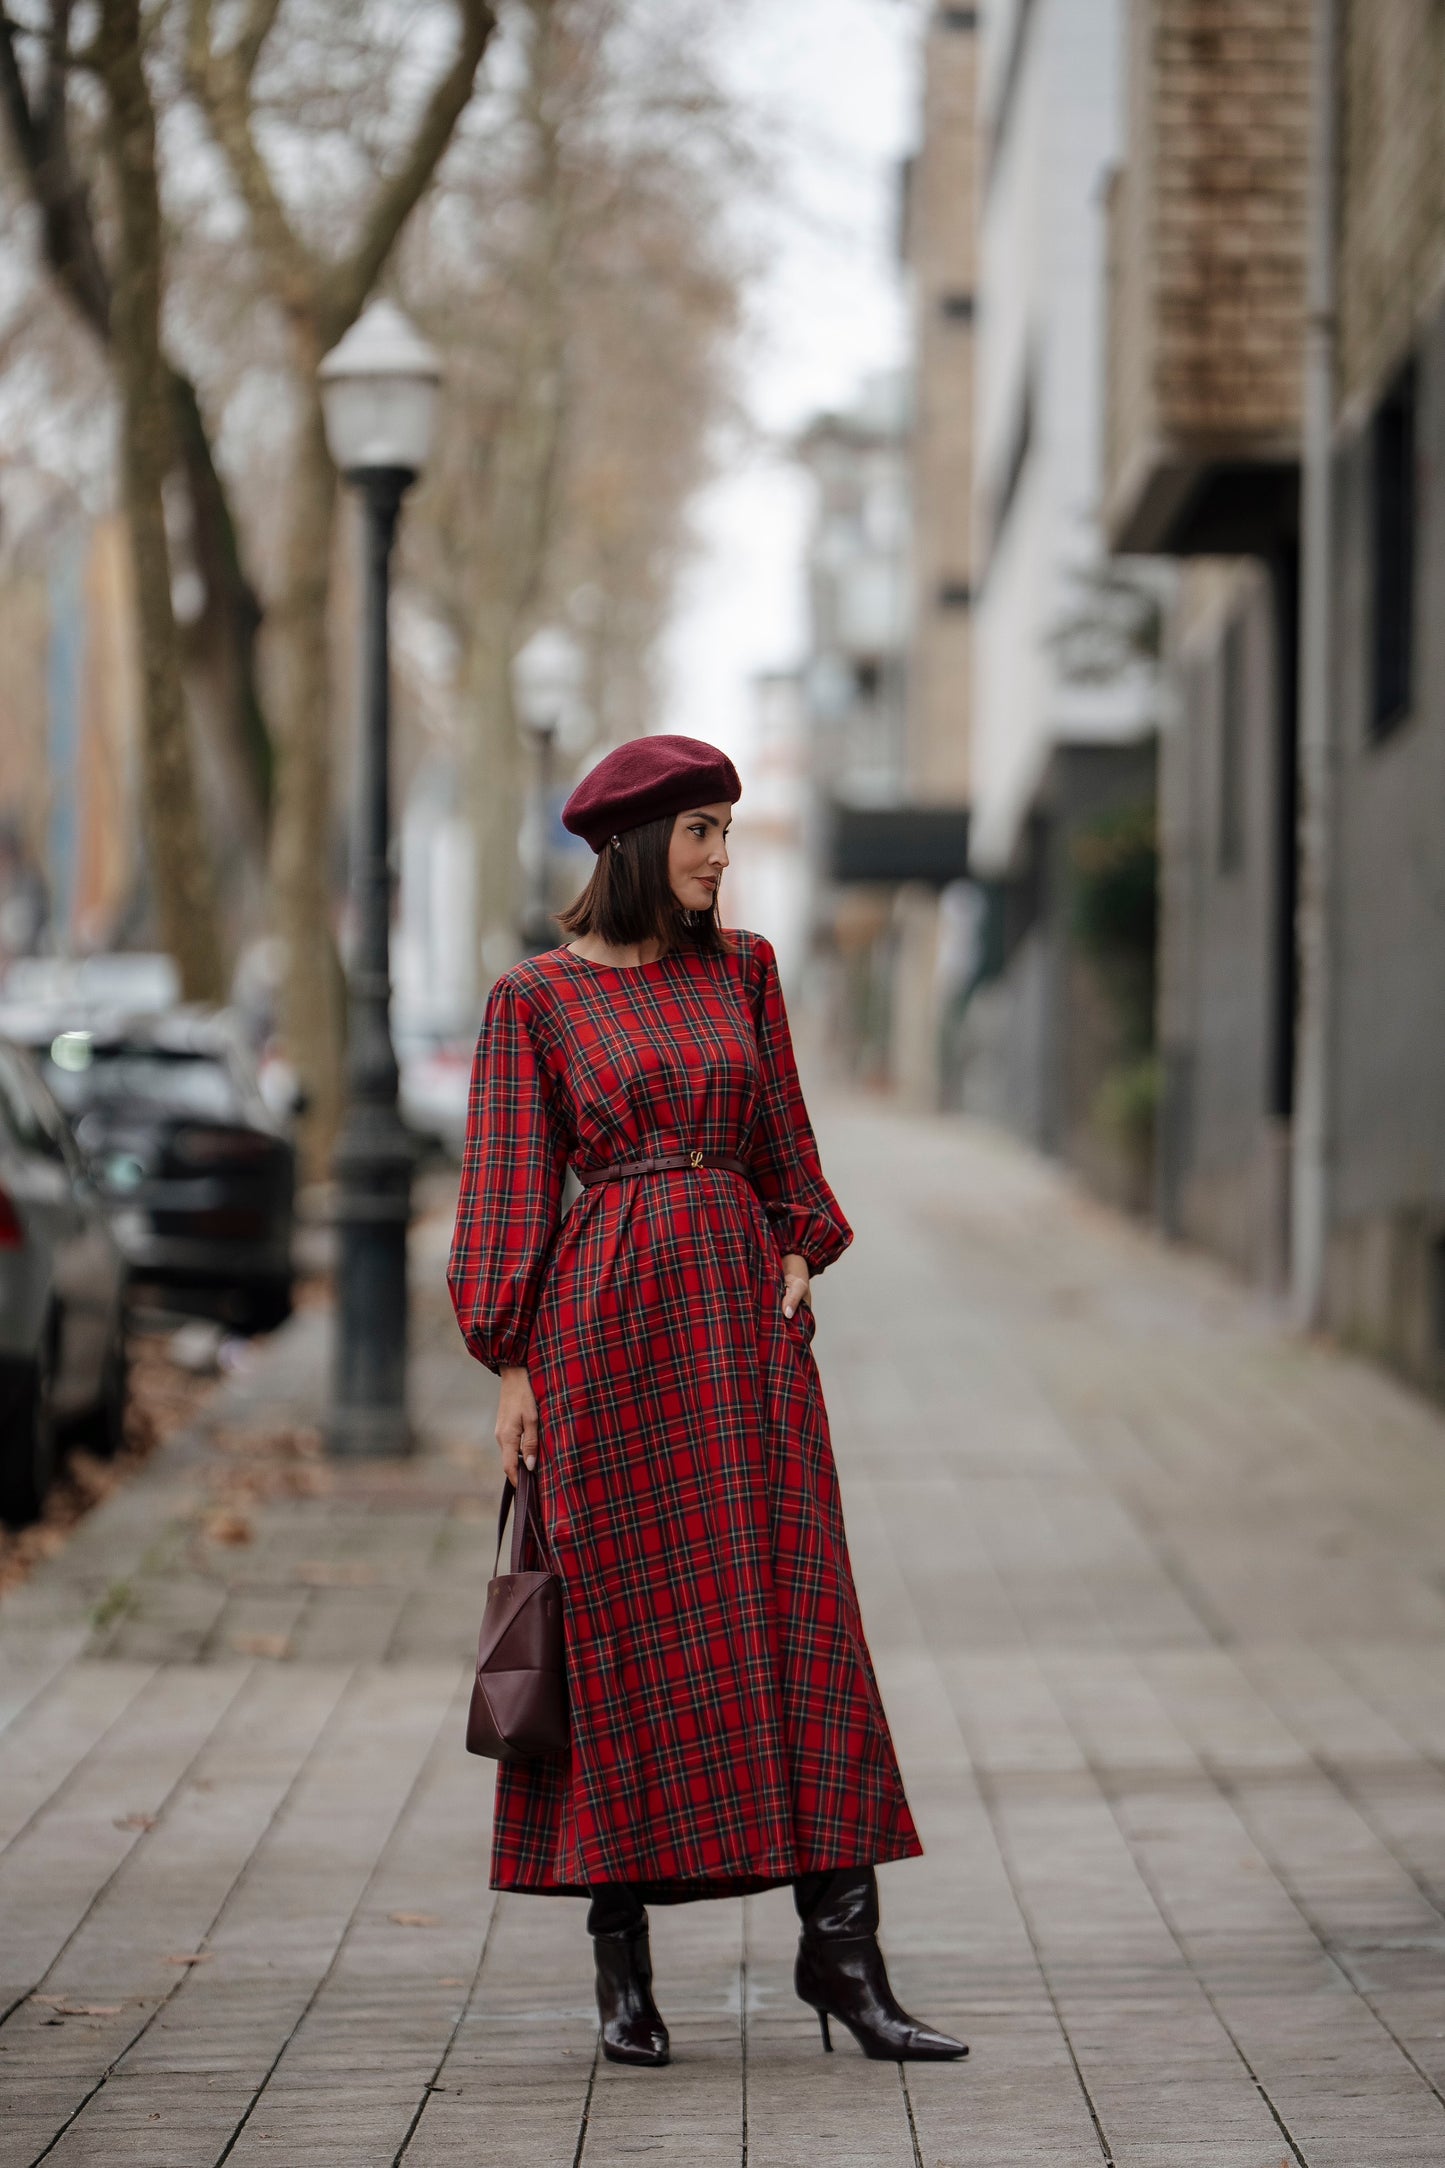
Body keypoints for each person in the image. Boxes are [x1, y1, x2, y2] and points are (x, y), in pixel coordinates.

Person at [447, 733, 966, 2069]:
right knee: (620, 1642)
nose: (722, 857)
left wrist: (796, 1250)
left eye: (728, 832)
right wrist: (512, 1363)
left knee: (803, 1628)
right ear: (634, 845)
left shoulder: (745, 972)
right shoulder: (535, 1001)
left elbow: (786, 1145)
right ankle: (621, 1972)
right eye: (701, 833)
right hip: (604, 1348)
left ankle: (842, 1960)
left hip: (741, 1340)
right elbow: (507, 1188)